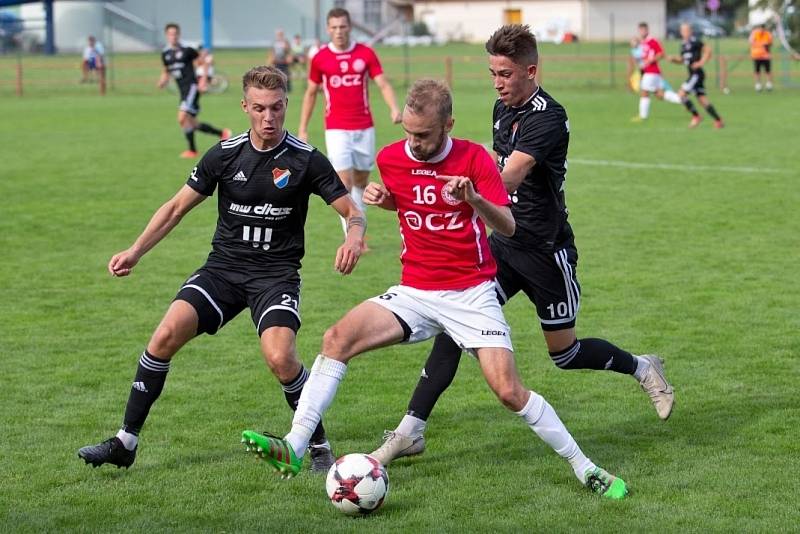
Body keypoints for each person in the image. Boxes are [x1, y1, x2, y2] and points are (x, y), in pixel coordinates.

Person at [241, 78, 629, 500]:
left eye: (423, 135)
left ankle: (585, 468)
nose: (414, 143)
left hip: (470, 294)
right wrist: (385, 199)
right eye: (408, 132)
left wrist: (475, 199)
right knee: (336, 338)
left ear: (448, 125)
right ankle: (295, 446)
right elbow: (407, 199)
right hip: (415, 291)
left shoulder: (474, 158)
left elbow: (509, 225)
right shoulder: (392, 158)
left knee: (508, 391)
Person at [369, 24, 674, 467]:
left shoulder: (548, 117)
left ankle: (643, 368)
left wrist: (449, 183)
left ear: (531, 71)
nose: (497, 83)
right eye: (493, 73)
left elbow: (507, 175)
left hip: (546, 251)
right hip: (503, 245)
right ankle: (410, 430)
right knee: (457, 327)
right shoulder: (501, 108)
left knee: (564, 354)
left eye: (505, 74)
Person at [77, 66, 365, 474]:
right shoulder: (225, 155)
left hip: (274, 276)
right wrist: (136, 250)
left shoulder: (305, 160)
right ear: (245, 106)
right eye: (261, 109)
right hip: (223, 271)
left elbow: (353, 212)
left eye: (278, 108)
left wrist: (354, 236)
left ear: (287, 105)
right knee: (163, 336)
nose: (270, 118)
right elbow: (176, 207)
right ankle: (126, 441)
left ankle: (317, 445)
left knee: (281, 358)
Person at [299, 7, 402, 240]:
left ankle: (357, 219)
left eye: (343, 27)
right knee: (343, 181)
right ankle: (354, 235)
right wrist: (303, 128)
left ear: (350, 27)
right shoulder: (320, 58)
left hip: (364, 126)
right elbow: (311, 93)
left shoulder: (365, 54)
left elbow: (383, 83)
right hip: (335, 128)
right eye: (334, 27)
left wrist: (394, 107)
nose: (338, 32)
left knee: (361, 180)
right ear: (328, 29)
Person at [158, 23, 231, 158]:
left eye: (175, 34)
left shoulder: (187, 50)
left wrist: (203, 80)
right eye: (170, 34)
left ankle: (192, 150)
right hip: (182, 91)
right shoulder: (166, 53)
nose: (173, 36)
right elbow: (166, 70)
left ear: (179, 35)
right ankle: (222, 134)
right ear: (166, 36)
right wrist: (163, 80)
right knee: (192, 123)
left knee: (182, 118)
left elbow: (203, 62)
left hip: (191, 87)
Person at [669, 23, 724, 129]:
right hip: (694, 74)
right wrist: (674, 59)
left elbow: (708, 50)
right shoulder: (683, 45)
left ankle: (696, 116)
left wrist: (700, 63)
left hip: (697, 74)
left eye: (686, 30)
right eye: (682, 31)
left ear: (690, 31)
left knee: (681, 94)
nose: (684, 33)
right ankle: (718, 120)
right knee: (702, 100)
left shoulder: (695, 41)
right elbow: (683, 60)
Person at [633, 22, 682, 121]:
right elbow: (641, 56)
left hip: (652, 71)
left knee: (644, 92)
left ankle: (642, 117)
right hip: (649, 72)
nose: (642, 32)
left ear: (647, 30)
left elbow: (661, 53)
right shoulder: (643, 43)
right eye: (640, 30)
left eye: (644, 30)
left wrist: (651, 60)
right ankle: (683, 100)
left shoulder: (653, 41)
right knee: (659, 94)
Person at [749, 23, 774, 92]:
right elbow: (751, 42)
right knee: (757, 71)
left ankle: (769, 84)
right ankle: (758, 85)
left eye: (763, 28)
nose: (762, 29)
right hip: (757, 56)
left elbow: (770, 42)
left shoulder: (767, 34)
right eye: (761, 28)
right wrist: (760, 44)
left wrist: (767, 45)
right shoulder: (754, 33)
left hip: (766, 56)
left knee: (768, 71)